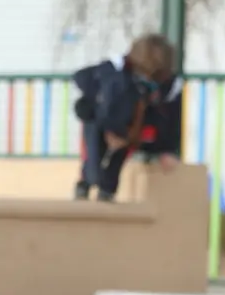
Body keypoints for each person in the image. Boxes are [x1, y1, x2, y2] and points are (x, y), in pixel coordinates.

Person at [72, 34, 178, 202]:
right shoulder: (114, 69)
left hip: (131, 126)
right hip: (101, 118)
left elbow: (169, 116)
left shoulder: (166, 84)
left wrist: (167, 149)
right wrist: (92, 105)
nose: (147, 80)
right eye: (144, 74)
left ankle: (107, 191)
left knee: (116, 161)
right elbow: (81, 78)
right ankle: (86, 183)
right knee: (94, 159)